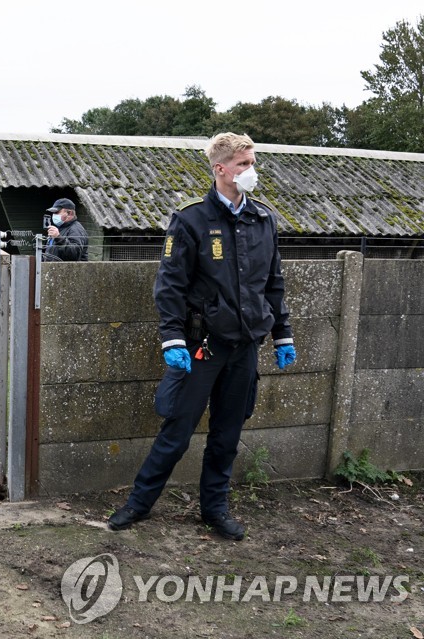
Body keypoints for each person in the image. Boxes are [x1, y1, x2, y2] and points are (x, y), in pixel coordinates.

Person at [107, 132, 297, 541]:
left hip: (245, 347)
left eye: (253, 162)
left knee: (227, 435)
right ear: (221, 169)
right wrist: (172, 338)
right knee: (176, 433)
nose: (251, 171)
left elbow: (273, 282)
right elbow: (170, 285)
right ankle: (139, 504)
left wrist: (282, 334)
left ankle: (214, 510)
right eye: (244, 164)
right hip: (200, 347)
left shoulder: (264, 219)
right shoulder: (191, 220)